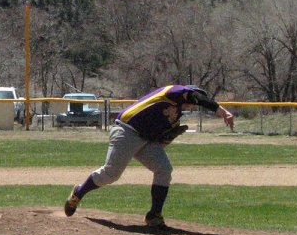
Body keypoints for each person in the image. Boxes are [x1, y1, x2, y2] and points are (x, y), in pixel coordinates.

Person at [63, 85, 235, 227]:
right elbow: (196, 96)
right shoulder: (172, 92)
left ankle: (154, 215)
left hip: (145, 140)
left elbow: (159, 141)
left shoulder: (175, 116)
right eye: (192, 102)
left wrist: (167, 137)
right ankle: (79, 192)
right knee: (111, 174)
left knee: (164, 169)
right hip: (127, 130)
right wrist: (222, 112)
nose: (192, 105)